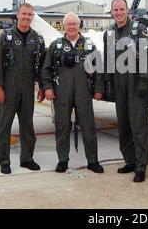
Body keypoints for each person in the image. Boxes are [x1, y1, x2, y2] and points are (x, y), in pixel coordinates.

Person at [41, 12, 105, 174]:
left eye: (74, 24)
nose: (71, 27)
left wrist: (98, 89)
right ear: (64, 26)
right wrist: (47, 88)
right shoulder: (56, 46)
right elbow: (46, 69)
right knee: (62, 126)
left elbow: (98, 70)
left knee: (88, 126)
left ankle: (93, 161)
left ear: (79, 25)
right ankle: (62, 160)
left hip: (83, 92)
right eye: (68, 24)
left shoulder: (90, 46)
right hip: (61, 91)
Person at [0, 3, 46, 174]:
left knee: (27, 126)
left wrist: (42, 88)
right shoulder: (5, 37)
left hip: (27, 89)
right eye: (24, 14)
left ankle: (27, 158)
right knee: (4, 126)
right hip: (8, 89)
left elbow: (42, 67)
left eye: (30, 15)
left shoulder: (37, 39)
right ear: (17, 15)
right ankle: (4, 160)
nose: (26, 17)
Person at [102, 0, 148, 182]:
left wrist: (144, 82)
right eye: (116, 10)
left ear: (127, 10)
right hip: (118, 82)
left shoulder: (139, 30)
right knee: (123, 125)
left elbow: (146, 55)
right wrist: (108, 83)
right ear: (112, 12)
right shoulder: (109, 34)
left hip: (136, 81)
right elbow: (107, 60)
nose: (119, 13)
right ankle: (129, 160)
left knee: (138, 126)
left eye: (122, 9)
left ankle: (141, 165)